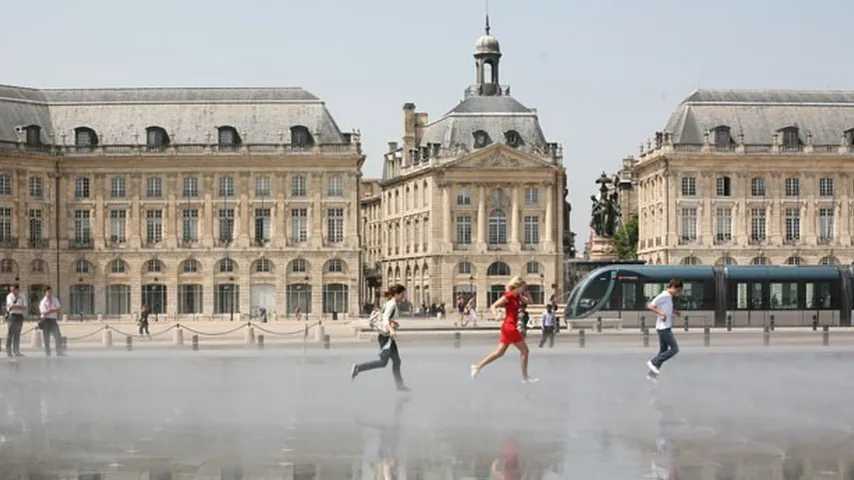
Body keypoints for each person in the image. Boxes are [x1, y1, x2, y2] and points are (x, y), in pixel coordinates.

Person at [471, 276, 538, 383]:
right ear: (518, 286)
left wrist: (526, 292)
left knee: (499, 353)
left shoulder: (517, 296)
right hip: (510, 327)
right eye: (523, 288)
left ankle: (477, 367)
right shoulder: (509, 295)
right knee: (525, 351)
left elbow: (530, 302)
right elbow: (493, 306)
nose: (524, 290)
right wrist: (496, 315)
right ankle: (525, 378)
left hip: (508, 327)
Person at [351, 284, 410, 392]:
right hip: (386, 337)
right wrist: (391, 329)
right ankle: (358, 368)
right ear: (397, 294)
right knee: (384, 362)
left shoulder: (389, 302)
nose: (403, 296)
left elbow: (386, 318)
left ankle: (400, 386)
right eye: (402, 294)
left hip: (386, 337)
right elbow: (386, 319)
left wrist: (393, 325)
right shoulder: (391, 304)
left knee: (396, 361)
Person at [646, 279, 683, 379]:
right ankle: (653, 362)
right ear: (674, 287)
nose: (678, 294)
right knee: (675, 349)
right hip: (664, 328)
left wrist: (674, 312)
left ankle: (651, 375)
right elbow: (650, 305)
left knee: (663, 351)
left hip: (664, 327)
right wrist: (661, 313)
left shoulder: (669, 297)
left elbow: (665, 308)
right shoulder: (665, 295)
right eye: (678, 291)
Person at [39, 287, 64, 357]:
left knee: (58, 336)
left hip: (53, 320)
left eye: (51, 292)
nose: (50, 293)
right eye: (48, 292)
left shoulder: (54, 299)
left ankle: (59, 352)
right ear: (45, 292)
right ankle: (48, 353)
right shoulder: (43, 301)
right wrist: (53, 310)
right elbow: (44, 312)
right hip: (46, 320)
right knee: (46, 338)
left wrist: (51, 310)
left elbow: (59, 308)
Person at [5, 285, 26, 358]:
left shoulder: (22, 296)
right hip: (12, 316)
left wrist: (17, 306)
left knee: (17, 334)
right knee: (10, 334)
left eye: (14, 289)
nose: (13, 291)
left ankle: (16, 351)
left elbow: (25, 307)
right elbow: (11, 306)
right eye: (12, 289)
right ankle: (8, 351)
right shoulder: (9, 296)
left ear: (17, 289)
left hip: (20, 316)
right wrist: (20, 306)